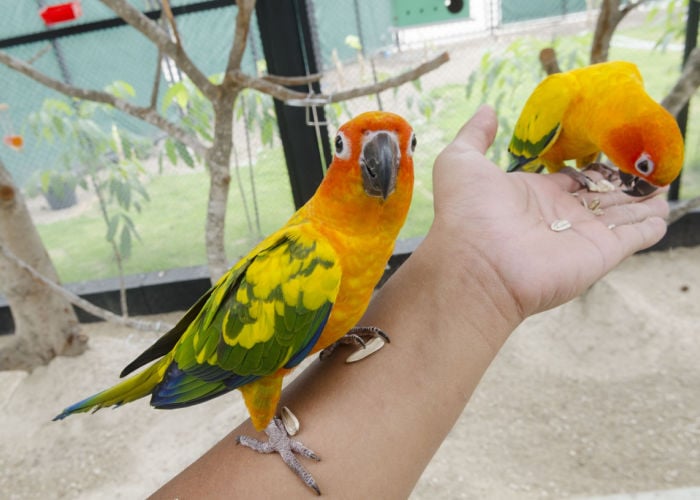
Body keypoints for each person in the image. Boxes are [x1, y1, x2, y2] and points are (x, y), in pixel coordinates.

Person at [151, 106, 669, 498]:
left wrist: (480, 272)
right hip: (229, 363)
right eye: (343, 147)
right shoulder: (312, 257)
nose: (379, 157)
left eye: (407, 144)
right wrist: (275, 436)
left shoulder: (369, 240)